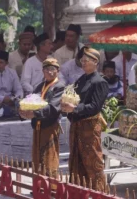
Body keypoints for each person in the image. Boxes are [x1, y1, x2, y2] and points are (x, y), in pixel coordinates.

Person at [61, 48, 108, 191]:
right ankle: (80, 192)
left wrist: (74, 109)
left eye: (86, 61)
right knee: (77, 161)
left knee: (93, 162)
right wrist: (67, 109)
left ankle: (100, 193)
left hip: (90, 127)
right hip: (77, 125)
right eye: (81, 61)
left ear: (95, 62)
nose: (83, 63)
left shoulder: (100, 82)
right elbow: (74, 100)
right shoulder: (81, 80)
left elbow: (95, 106)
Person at [19, 58, 65, 186]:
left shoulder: (59, 87)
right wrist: (24, 111)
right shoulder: (39, 86)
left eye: (53, 69)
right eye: (47, 69)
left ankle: (52, 187)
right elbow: (31, 102)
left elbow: (53, 108)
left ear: (57, 71)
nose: (50, 72)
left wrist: (34, 113)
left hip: (50, 126)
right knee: (37, 156)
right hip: (37, 126)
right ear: (43, 71)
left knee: (49, 157)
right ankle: (39, 186)